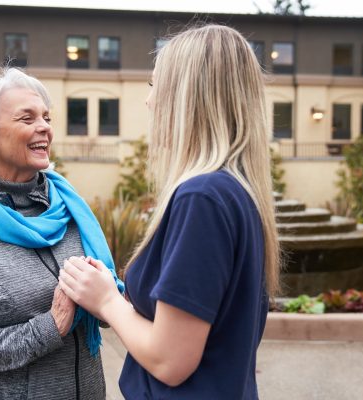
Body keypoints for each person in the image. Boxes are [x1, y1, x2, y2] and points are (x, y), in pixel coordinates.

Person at [59, 25, 281, 399]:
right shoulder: (237, 191)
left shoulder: (202, 198)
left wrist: (107, 301)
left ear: (186, 97)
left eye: (154, 85)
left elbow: (170, 362)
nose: (149, 102)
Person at [0, 67, 123, 400]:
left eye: (46, 117)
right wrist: (49, 328)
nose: (44, 127)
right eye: (26, 119)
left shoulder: (71, 210)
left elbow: (104, 308)